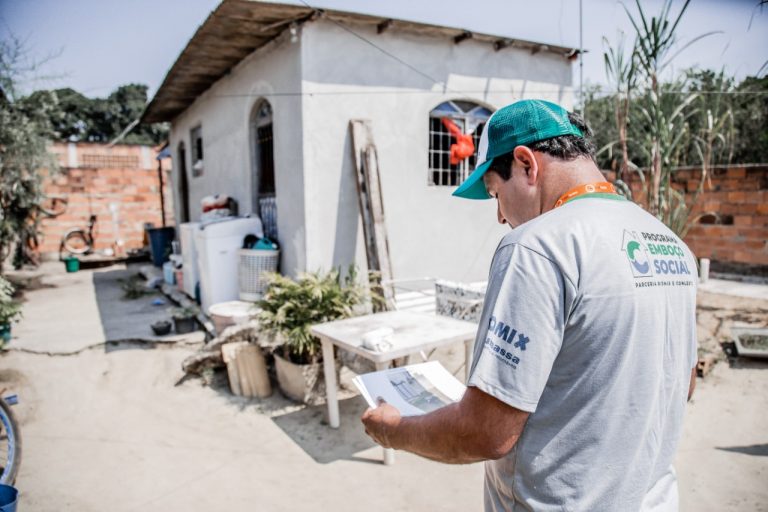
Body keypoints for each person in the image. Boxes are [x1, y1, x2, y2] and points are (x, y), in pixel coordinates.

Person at [361, 99, 698, 511]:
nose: (500, 217)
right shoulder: (671, 245)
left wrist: (394, 431)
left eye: (494, 194)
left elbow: (486, 432)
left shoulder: (537, 247)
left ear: (526, 164)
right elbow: (682, 384)